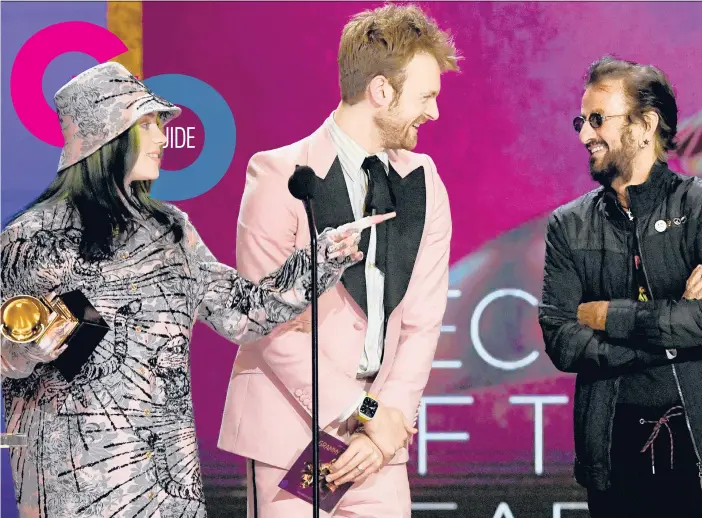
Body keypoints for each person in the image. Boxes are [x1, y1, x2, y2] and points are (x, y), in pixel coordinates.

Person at [0, 62, 391, 518]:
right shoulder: (28, 237)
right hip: (71, 480)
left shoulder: (171, 229)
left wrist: (323, 256)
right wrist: (27, 348)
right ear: (107, 135)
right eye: (147, 124)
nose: (163, 137)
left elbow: (243, 311)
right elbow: (9, 353)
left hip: (168, 480)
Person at [216, 4, 460, 517]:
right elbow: (263, 323)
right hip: (292, 431)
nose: (434, 113)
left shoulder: (424, 181)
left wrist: (383, 424)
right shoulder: (281, 175)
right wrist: (363, 410)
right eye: (426, 96)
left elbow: (421, 321)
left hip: (378, 445)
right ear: (380, 92)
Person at [538, 56, 702, 517]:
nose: (584, 135)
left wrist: (610, 317)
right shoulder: (569, 225)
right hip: (610, 456)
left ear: (646, 124)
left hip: (698, 453)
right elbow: (562, 339)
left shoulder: (700, 207)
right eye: (581, 121)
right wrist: (671, 336)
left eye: (597, 120)